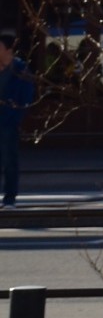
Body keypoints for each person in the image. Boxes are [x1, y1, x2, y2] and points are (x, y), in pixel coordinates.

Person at [0, 35, 32, 207]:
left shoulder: (20, 70)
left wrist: (15, 114)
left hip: (9, 122)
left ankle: (10, 197)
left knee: (9, 160)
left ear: (9, 51)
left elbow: (26, 95)